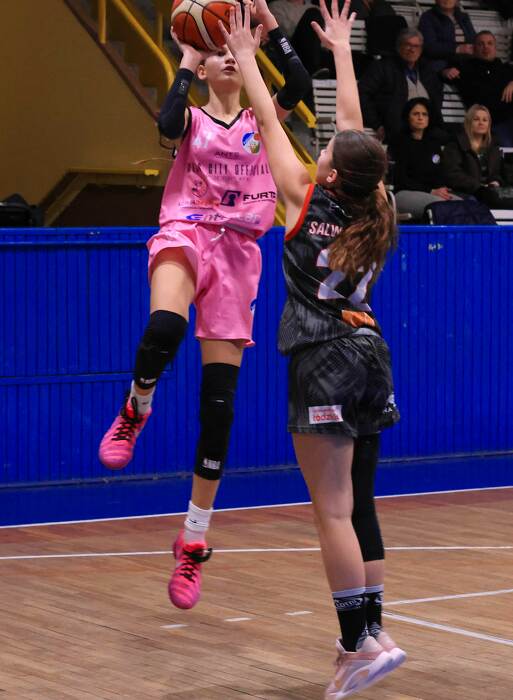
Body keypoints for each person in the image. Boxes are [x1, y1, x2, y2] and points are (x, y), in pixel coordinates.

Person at [98, 0, 311, 611]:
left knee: (219, 408)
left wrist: (265, 21)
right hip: (186, 232)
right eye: (214, 51)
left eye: (230, 52)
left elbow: (297, 82)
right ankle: (137, 405)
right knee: (165, 325)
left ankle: (193, 540)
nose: (226, 58)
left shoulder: (263, 119)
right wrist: (186, 62)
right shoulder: (191, 117)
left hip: (240, 252)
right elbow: (167, 124)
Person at [221, 1, 405, 697]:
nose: (322, 146)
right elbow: (351, 129)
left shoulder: (304, 195)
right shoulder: (378, 202)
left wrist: (246, 52)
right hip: (369, 352)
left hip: (324, 355)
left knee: (331, 509)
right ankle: (374, 633)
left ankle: (357, 644)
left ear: (329, 174)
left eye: (326, 149)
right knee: (359, 505)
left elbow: (269, 122)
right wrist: (340, 53)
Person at [358, 28, 444, 143]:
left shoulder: (427, 70)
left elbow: (437, 96)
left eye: (416, 46)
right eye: (408, 45)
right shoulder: (382, 67)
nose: (412, 49)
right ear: (399, 47)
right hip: (396, 129)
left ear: (421, 49)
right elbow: (362, 94)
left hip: (427, 129)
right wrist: (376, 124)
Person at [391, 97, 459, 221]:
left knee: (464, 205)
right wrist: (430, 190)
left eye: (424, 114)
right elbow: (401, 179)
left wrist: (441, 188)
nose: (420, 117)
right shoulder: (399, 143)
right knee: (444, 207)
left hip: (432, 193)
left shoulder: (433, 144)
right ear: (407, 117)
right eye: (416, 114)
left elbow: (439, 173)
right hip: (405, 193)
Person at [446, 31, 513, 147]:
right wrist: (445, 71)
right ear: (474, 48)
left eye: (490, 43)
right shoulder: (465, 68)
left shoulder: (506, 69)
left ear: (495, 47)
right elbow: (443, 73)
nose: (486, 47)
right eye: (481, 44)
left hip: (503, 123)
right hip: (477, 124)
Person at [442, 104, 505, 207]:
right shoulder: (455, 144)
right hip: (466, 191)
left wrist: (496, 181)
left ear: (489, 124)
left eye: (485, 120)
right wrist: (479, 186)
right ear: (468, 122)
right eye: (476, 119)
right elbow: (453, 174)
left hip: (490, 191)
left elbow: (498, 172)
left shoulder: (493, 146)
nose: (481, 123)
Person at [418, 0, 476, 72]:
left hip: (465, 61)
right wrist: (457, 49)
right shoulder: (427, 17)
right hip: (441, 64)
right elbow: (430, 47)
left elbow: (474, 39)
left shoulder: (464, 17)